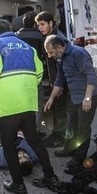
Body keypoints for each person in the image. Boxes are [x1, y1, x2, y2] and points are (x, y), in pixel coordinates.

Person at [0, 19, 59, 194]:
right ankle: (51, 176)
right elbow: (39, 73)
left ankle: (18, 184)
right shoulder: (27, 47)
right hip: (28, 103)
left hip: (8, 104)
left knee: (8, 145)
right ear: (10, 30)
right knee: (34, 140)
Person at [44, 34, 97, 171]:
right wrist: (51, 98)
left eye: (51, 52)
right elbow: (60, 79)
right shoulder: (61, 57)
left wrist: (87, 98)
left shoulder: (78, 53)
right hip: (74, 97)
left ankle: (79, 157)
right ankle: (69, 149)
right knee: (71, 125)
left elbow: (91, 76)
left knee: (83, 129)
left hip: (87, 97)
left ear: (59, 47)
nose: (50, 56)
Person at [35, 11, 69, 149]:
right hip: (55, 80)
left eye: (42, 24)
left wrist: (59, 85)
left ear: (50, 23)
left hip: (61, 81)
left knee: (60, 110)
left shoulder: (58, 39)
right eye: (38, 25)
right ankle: (57, 134)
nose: (40, 28)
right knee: (56, 108)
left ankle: (60, 138)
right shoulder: (49, 36)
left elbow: (63, 65)